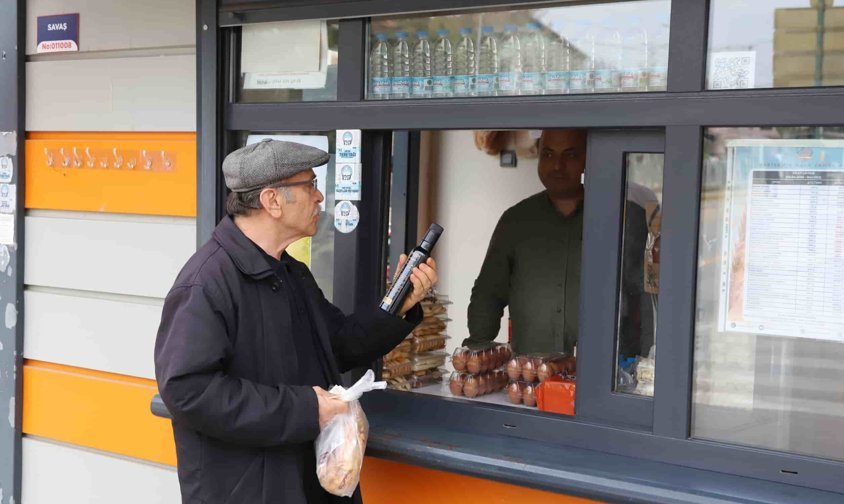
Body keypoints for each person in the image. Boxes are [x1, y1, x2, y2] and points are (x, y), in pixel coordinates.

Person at [155, 139, 438, 504]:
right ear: (272, 201)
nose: (320, 198)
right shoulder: (207, 282)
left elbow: (338, 343)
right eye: (310, 185)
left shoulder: (290, 272)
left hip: (305, 484)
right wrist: (305, 409)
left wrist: (398, 303)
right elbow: (188, 390)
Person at [463, 129, 654, 358]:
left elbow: (647, 296)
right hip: (531, 376)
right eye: (549, 155)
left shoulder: (624, 217)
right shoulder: (516, 221)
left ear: (588, 158)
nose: (557, 166)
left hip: (609, 375)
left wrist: (648, 361)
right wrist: (478, 355)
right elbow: (488, 293)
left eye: (570, 155)